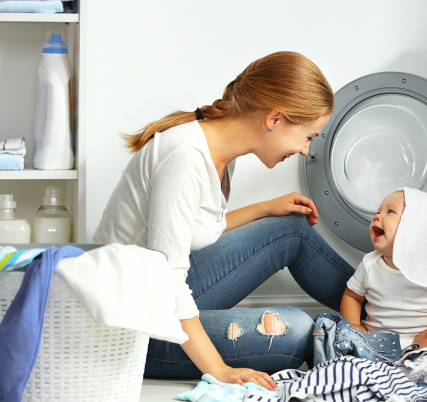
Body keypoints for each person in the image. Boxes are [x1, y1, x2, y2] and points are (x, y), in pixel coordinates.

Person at [92, 51, 355, 391]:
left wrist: (265, 208)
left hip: (155, 295)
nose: (306, 150)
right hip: (134, 327)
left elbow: (191, 230)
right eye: (308, 136)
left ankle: (387, 313)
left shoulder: (219, 150)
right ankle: (371, 334)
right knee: (297, 330)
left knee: (291, 227)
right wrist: (219, 370)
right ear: (274, 119)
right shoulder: (186, 159)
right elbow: (168, 280)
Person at [339, 189, 427, 354]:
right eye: (378, 212)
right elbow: (352, 296)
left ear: (414, 225)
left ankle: (411, 354)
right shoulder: (370, 263)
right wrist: (353, 327)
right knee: (338, 333)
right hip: (376, 338)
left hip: (420, 339)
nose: (377, 216)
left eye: (390, 211)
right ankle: (402, 357)